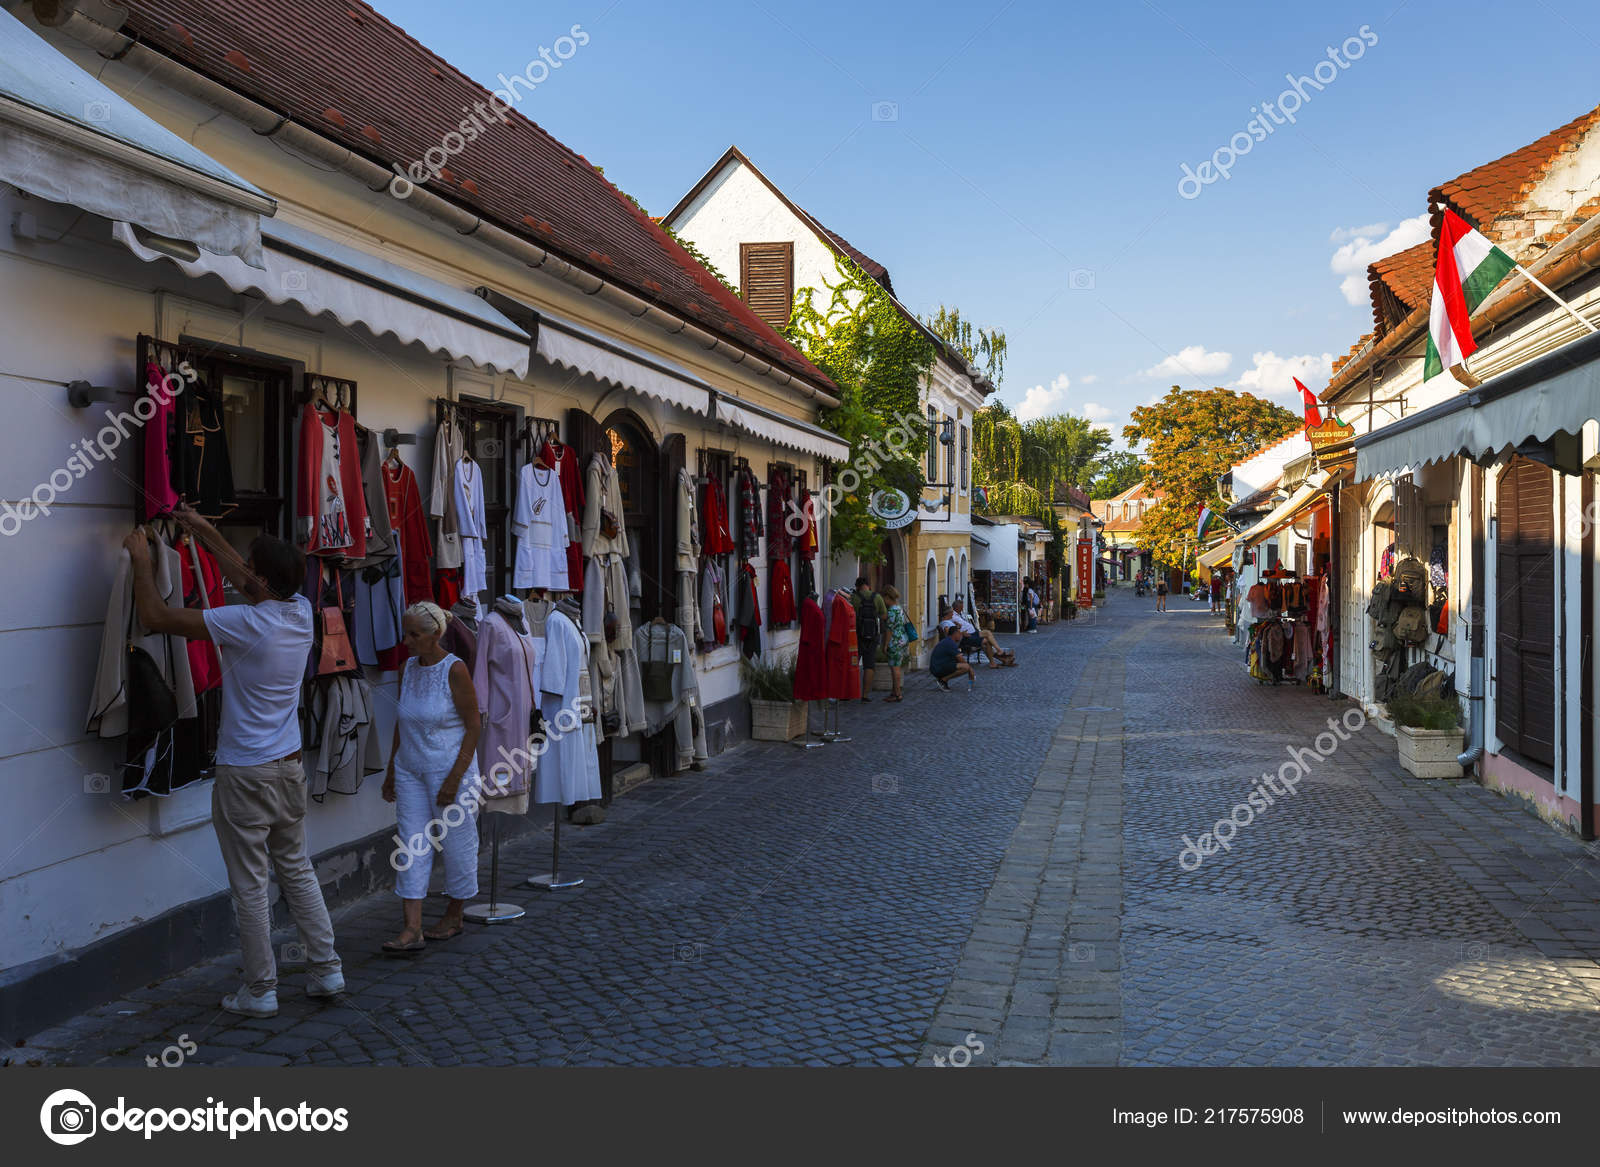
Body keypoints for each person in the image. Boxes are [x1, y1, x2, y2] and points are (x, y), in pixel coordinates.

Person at [123, 505, 343, 1017]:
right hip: (288, 766)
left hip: (245, 771)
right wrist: (202, 531)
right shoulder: (299, 610)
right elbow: (248, 578)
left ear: (261, 580)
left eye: (248, 564)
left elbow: (155, 617)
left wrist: (140, 560)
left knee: (249, 883)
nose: (240, 568)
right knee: (297, 869)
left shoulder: (241, 621)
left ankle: (261, 990)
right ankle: (326, 969)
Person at [380, 601, 483, 954]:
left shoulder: (454, 670)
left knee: (457, 842)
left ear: (436, 634)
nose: (407, 641)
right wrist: (392, 769)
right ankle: (412, 928)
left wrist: (456, 777)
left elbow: (473, 726)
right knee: (410, 843)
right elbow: (402, 721)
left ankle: (455, 915)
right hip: (410, 768)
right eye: (405, 633)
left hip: (449, 769)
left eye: (415, 634)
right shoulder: (406, 668)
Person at [853, 576, 887, 702]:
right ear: (868, 585)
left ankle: (850, 692)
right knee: (869, 664)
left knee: (853, 663)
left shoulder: (854, 598)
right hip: (873, 635)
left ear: (857, 586)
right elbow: (884, 615)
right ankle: (865, 695)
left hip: (857, 635)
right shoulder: (877, 597)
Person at [881, 585, 915, 702]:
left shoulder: (891, 611)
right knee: (897, 667)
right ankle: (895, 691)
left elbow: (889, 630)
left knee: (894, 668)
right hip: (902, 639)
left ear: (887, 597)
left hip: (895, 641)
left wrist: (885, 645)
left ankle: (897, 694)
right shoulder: (899, 608)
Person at [929, 621, 977, 690]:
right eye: (959, 634)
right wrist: (971, 670)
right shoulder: (950, 643)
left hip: (938, 665)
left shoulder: (948, 641)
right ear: (955, 634)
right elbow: (961, 660)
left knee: (965, 666)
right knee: (966, 667)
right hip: (937, 668)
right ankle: (943, 680)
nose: (961, 635)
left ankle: (943, 679)